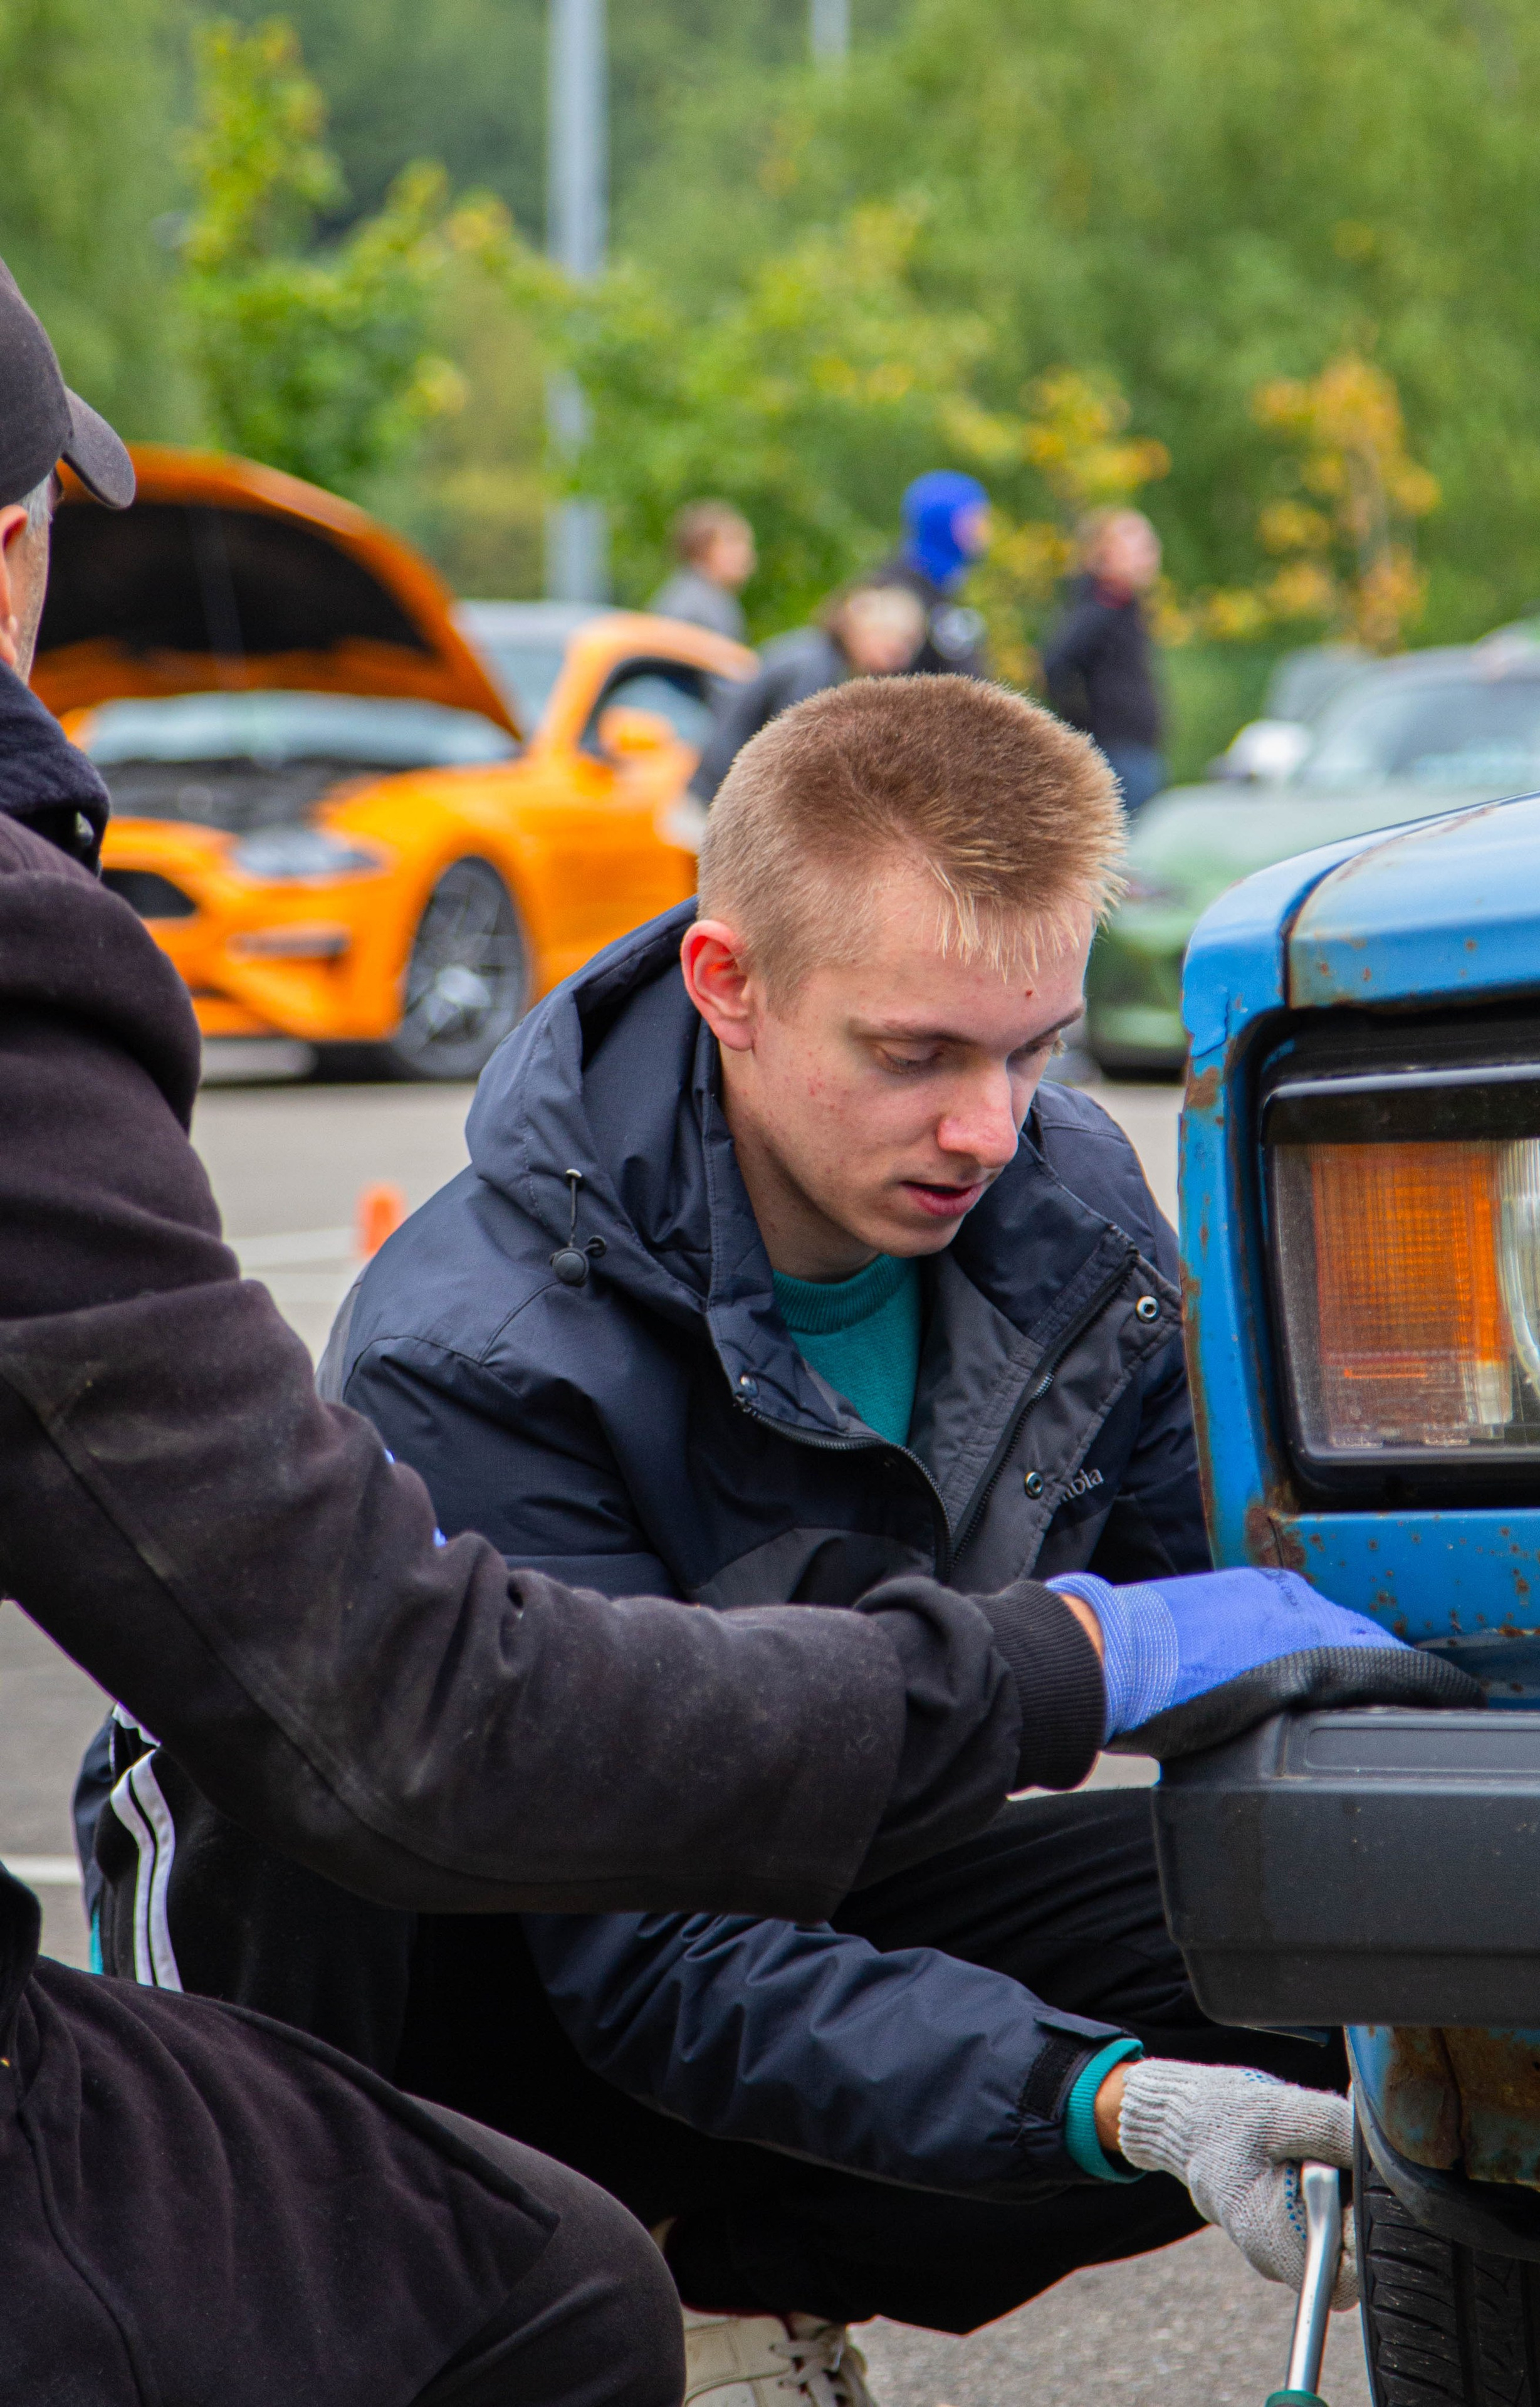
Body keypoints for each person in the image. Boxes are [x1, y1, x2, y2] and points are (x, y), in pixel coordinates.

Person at [0, 251, 1420, 2406]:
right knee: (534, 2214)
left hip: (819, 1870)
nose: (988, 1126)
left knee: (1348, 1901)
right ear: (725, 985)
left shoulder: (1062, 1202)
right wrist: (1105, 2102)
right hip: (500, 1990)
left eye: (1033, 1048)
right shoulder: (483, 1343)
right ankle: (529, 2272)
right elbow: (634, 1931)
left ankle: (725, 2273)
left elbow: (1235, 1625)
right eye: (914, 1051)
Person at [688, 576, 925, 805]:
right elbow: (798, 760)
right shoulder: (813, 669)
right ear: (862, 625)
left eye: (907, 646)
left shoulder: (820, 656)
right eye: (891, 640)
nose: (899, 657)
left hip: (719, 790)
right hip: (713, 798)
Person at [1041, 505, 1167, 815]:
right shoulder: (1097, 611)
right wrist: (1085, 732)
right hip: (1116, 754)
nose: (1149, 554)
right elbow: (1054, 668)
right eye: (1137, 545)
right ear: (1105, 553)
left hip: (1133, 752)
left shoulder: (1124, 608)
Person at [878, 468, 992, 677]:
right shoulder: (897, 594)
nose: (984, 530)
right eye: (974, 518)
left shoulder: (941, 584)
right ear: (944, 523)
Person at [651, 501, 757, 643]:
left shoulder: (714, 598)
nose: (745, 553)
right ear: (703, 547)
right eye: (733, 542)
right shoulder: (690, 605)